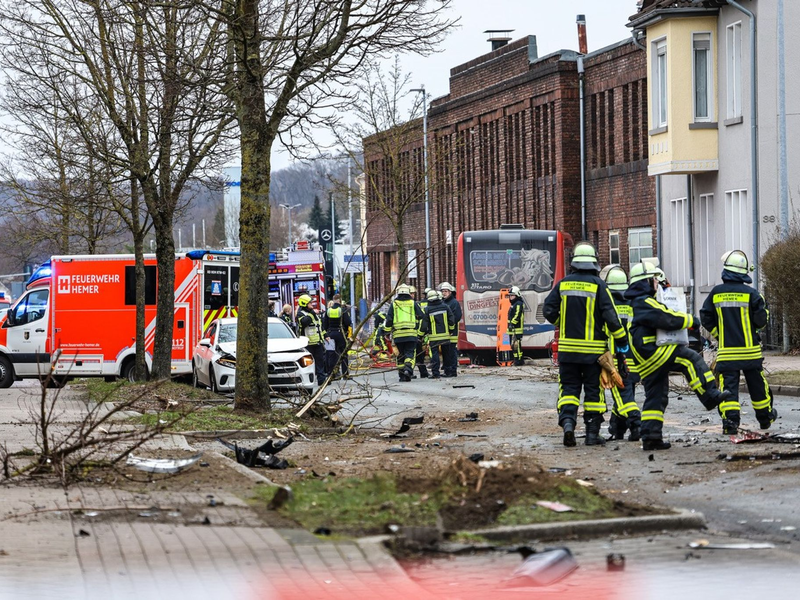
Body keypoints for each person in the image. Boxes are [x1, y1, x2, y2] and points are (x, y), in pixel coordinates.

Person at [625, 261, 733, 450]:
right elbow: (666, 318)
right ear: (645, 282)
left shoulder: (638, 302)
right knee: (690, 359)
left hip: (644, 356)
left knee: (656, 395)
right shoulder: (644, 302)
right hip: (652, 351)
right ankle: (709, 395)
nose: (657, 283)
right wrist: (691, 321)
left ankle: (651, 437)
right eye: (654, 280)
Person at [543, 242, 628, 447]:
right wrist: (621, 340)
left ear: (574, 262)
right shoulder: (599, 285)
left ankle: (568, 425)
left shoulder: (563, 284)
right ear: (594, 263)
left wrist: (563, 322)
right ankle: (591, 435)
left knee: (569, 390)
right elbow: (611, 317)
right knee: (593, 392)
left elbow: (548, 310)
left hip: (568, 352)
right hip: (593, 354)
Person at [700, 250, 777, 434]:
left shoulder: (716, 293)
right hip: (750, 352)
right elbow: (761, 321)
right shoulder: (752, 294)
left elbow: (705, 317)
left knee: (728, 389)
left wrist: (720, 334)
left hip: (728, 353)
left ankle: (730, 423)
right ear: (743, 272)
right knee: (758, 387)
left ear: (726, 270)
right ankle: (765, 419)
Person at [601, 265, 641, 441]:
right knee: (625, 395)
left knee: (623, 398)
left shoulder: (607, 306)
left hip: (616, 360)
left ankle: (636, 425)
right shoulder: (633, 304)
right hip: (634, 360)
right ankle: (617, 429)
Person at [383, 283, 425, 382]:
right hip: (411, 334)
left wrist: (387, 332)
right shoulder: (412, 303)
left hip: (398, 335)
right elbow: (421, 315)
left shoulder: (394, 304)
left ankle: (402, 376)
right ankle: (408, 369)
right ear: (408, 292)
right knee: (410, 353)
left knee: (400, 354)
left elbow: (389, 320)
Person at [424, 289, 455, 379]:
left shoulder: (427, 309)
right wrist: (451, 330)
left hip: (434, 337)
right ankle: (448, 372)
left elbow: (424, 324)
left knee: (435, 355)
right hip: (445, 335)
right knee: (446, 354)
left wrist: (420, 334)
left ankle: (435, 373)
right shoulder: (445, 307)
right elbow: (451, 319)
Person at [295, 294, 326, 385]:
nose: (312, 304)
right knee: (308, 364)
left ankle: (321, 380)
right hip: (307, 343)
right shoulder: (300, 314)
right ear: (304, 304)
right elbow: (304, 322)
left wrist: (326, 335)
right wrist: (312, 313)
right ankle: (309, 380)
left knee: (320, 362)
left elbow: (319, 326)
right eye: (310, 303)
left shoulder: (312, 313)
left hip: (317, 342)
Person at [323, 294, 352, 379]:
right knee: (343, 354)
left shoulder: (328, 311)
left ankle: (331, 375)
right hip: (341, 334)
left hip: (330, 334)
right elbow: (348, 322)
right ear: (339, 300)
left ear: (333, 300)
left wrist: (326, 335)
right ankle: (345, 375)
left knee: (331, 354)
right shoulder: (342, 310)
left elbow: (324, 325)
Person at [439, 282, 462, 377]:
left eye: (446, 291)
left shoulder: (454, 303)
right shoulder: (442, 302)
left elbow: (457, 316)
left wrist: (450, 326)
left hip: (452, 332)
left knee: (451, 352)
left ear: (450, 292)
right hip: (444, 332)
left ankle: (452, 371)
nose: (444, 293)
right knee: (445, 352)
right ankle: (447, 370)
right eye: (442, 291)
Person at [414, 288, 431, 379]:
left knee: (415, 353)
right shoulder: (431, 304)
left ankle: (409, 372)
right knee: (419, 353)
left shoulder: (418, 304)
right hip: (423, 331)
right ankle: (423, 372)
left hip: (415, 331)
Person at [507, 286, 525, 366]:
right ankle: (516, 359)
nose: (510, 297)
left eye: (512, 295)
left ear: (517, 295)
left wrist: (512, 323)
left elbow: (517, 315)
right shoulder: (513, 304)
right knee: (513, 346)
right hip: (511, 329)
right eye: (510, 295)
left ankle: (519, 360)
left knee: (517, 345)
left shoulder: (518, 304)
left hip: (516, 328)